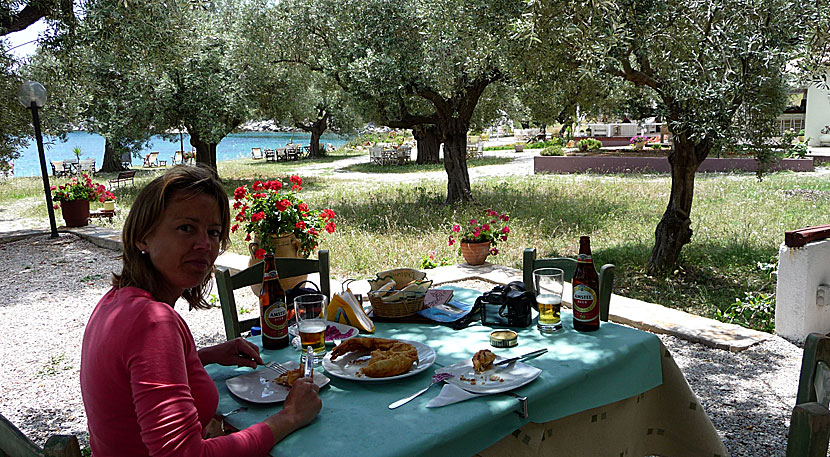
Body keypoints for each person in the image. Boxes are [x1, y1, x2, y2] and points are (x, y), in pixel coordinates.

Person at [80, 165, 321, 456]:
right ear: (143, 236)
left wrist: (200, 357)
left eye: (213, 232)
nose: (204, 244)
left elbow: (134, 377)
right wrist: (290, 416)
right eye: (186, 228)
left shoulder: (115, 301)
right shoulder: (153, 323)